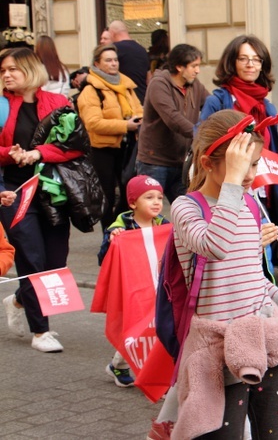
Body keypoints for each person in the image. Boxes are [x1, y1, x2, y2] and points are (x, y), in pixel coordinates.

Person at [169, 109, 278, 439]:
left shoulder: (251, 203)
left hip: (265, 339)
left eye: (254, 164)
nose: (252, 175)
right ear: (208, 164)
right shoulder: (187, 207)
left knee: (274, 435)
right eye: (243, 165)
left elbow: (255, 280)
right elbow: (216, 245)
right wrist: (233, 187)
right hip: (217, 350)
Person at [0, 47, 82, 353]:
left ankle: (19, 299)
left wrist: (38, 153)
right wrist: (9, 154)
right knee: (31, 256)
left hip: (52, 193)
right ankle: (40, 330)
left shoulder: (58, 102)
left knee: (55, 260)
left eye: (13, 69)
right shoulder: (1, 106)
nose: (7, 75)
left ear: (32, 70)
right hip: (13, 193)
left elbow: (75, 145)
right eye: (3, 70)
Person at [201, 35, 278, 233]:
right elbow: (202, 147)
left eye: (257, 59)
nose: (251, 65)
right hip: (227, 194)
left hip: (263, 193)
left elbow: (277, 161)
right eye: (243, 59)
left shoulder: (267, 108)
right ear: (232, 62)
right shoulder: (217, 102)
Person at [97, 175, 169, 387]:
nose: (156, 202)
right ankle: (121, 366)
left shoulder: (164, 225)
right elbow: (103, 258)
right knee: (135, 329)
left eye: (160, 197)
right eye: (149, 197)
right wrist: (112, 240)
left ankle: (148, 373)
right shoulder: (122, 226)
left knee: (155, 328)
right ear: (132, 202)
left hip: (156, 286)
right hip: (132, 288)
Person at [77, 43, 143, 233]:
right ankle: (109, 231)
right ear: (97, 63)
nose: (113, 64)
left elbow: (138, 109)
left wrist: (138, 120)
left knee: (128, 190)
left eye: (115, 60)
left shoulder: (126, 86)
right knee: (106, 194)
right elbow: (93, 123)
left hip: (127, 146)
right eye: (108, 60)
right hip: (101, 148)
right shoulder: (91, 90)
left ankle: (121, 226)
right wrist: (125, 125)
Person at [137, 44, 209, 202]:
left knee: (187, 210)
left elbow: (211, 106)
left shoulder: (195, 85)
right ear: (179, 67)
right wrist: (201, 135)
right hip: (155, 161)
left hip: (182, 161)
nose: (197, 71)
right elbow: (172, 118)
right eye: (194, 66)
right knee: (149, 211)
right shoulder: (159, 84)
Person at [108, 20, 150, 103]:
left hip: (125, 100)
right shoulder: (142, 49)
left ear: (112, 33)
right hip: (142, 98)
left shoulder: (114, 49)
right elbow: (149, 78)